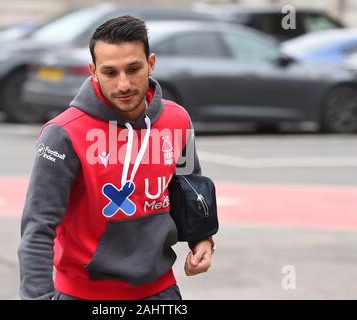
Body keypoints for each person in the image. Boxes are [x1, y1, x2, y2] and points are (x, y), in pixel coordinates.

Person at [18, 15, 215, 300]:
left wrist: (202, 239)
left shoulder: (177, 119)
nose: (124, 84)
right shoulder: (63, 133)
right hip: (83, 294)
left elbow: (190, 190)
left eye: (133, 69)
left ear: (151, 63)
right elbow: (38, 228)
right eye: (110, 72)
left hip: (160, 292)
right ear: (93, 71)